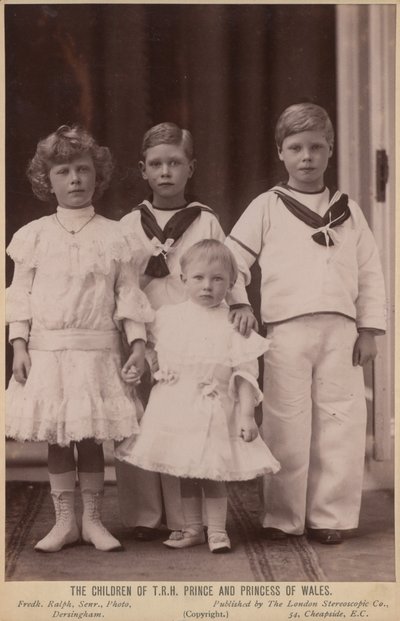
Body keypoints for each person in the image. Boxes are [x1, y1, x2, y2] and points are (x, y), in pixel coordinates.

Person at [225, 103, 386, 545]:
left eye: (317, 147)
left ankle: (330, 515)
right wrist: (240, 302)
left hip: (341, 333)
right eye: (296, 148)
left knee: (341, 420)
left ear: (330, 151)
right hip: (286, 332)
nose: (307, 157)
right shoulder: (267, 206)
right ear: (280, 153)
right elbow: (230, 261)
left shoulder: (349, 210)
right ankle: (283, 516)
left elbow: (370, 271)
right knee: (285, 422)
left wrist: (369, 329)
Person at [6, 125, 153, 553]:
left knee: (90, 438)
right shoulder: (34, 236)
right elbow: (20, 295)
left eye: (83, 170)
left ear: (97, 175)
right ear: (46, 180)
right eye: (64, 172)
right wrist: (18, 345)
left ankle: (92, 521)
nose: (75, 180)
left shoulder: (115, 235)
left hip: (96, 349)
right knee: (57, 437)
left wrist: (138, 345)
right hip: (48, 351)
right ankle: (64, 522)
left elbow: (129, 294)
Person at [116, 240, 280, 553]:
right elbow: (156, 354)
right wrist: (144, 369)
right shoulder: (167, 317)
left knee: (212, 471)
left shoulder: (233, 325)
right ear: (183, 280)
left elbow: (245, 373)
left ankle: (217, 530)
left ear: (231, 284)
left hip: (214, 407)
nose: (207, 286)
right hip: (176, 406)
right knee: (186, 471)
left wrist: (246, 414)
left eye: (218, 279)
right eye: (199, 278)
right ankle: (192, 527)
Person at [115, 122, 228, 541]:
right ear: (143, 170)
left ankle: (186, 519)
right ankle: (144, 514)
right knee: (141, 416)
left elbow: (225, 273)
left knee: (182, 419)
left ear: (190, 167)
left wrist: (236, 313)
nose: (166, 172)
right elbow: (123, 283)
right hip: (141, 333)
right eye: (156, 164)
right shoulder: (128, 225)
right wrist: (134, 337)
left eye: (175, 163)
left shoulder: (205, 221)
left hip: (190, 337)